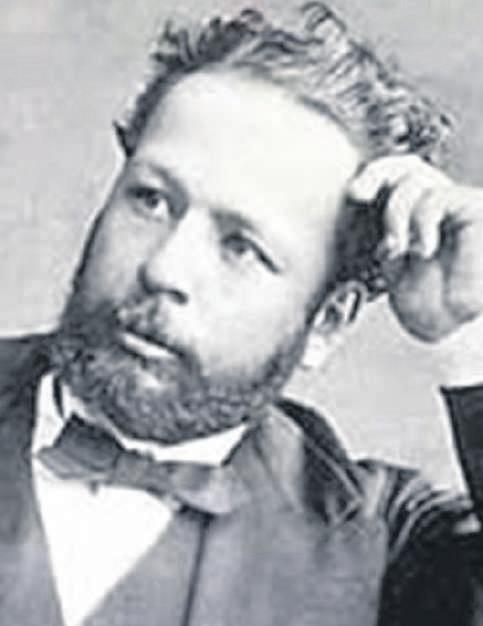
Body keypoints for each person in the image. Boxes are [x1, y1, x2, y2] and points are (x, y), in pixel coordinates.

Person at [2, 3, 483, 625]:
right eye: (150, 200)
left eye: (242, 247)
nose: (165, 270)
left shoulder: (386, 542)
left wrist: (469, 334)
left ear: (328, 323)